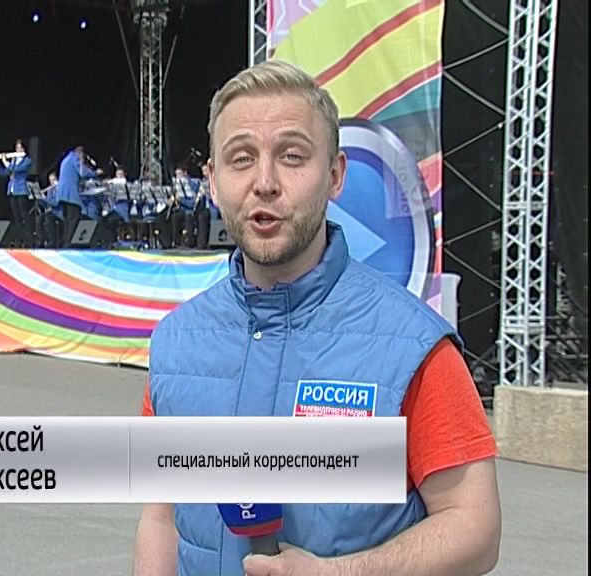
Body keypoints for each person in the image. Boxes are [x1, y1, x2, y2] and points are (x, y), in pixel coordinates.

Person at [133, 60, 501, 576]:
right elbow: (161, 518)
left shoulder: (413, 347)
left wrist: (337, 574)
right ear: (213, 182)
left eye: (292, 156)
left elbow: (475, 528)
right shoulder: (177, 345)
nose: (265, 183)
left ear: (335, 176)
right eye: (241, 159)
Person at [56, 146, 101, 247]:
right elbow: (82, 172)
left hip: (62, 194)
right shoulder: (75, 158)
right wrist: (95, 173)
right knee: (74, 219)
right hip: (70, 194)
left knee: (67, 220)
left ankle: (66, 243)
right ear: (81, 154)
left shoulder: (66, 159)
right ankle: (69, 244)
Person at [0, 139, 34, 247]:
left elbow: (17, 170)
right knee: (16, 216)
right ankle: (20, 239)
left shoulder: (27, 161)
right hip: (12, 190)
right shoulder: (13, 160)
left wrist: (5, 162)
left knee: (24, 215)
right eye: (17, 148)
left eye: (20, 147)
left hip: (21, 190)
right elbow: (5, 173)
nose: (18, 150)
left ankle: (30, 240)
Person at [39, 170, 63, 248]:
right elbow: (47, 204)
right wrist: (40, 198)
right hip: (52, 211)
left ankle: (52, 242)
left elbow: (55, 203)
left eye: (53, 180)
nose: (52, 183)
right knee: (39, 218)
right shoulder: (50, 189)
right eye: (50, 181)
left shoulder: (60, 189)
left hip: (59, 212)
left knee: (48, 218)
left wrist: (44, 198)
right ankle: (41, 241)